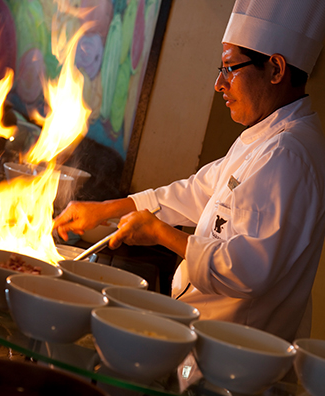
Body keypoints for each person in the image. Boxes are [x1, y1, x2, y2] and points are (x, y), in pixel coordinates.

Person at [54, 0, 325, 343]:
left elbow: (245, 270)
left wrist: (161, 234)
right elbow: (195, 192)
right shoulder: (264, 137)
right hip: (206, 338)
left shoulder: (288, 155)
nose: (219, 84)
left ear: (275, 69)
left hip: (231, 354)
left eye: (230, 68)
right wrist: (106, 210)